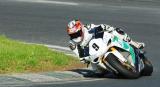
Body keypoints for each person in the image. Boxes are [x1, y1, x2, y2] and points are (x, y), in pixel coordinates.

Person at [66, 19, 145, 74]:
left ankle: (134, 44)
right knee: (98, 72)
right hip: (93, 53)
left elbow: (102, 26)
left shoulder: (88, 27)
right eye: (72, 35)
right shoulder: (72, 43)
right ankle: (114, 69)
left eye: (77, 33)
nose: (75, 36)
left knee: (117, 31)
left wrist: (108, 29)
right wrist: (85, 59)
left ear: (81, 29)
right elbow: (79, 56)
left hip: (101, 41)